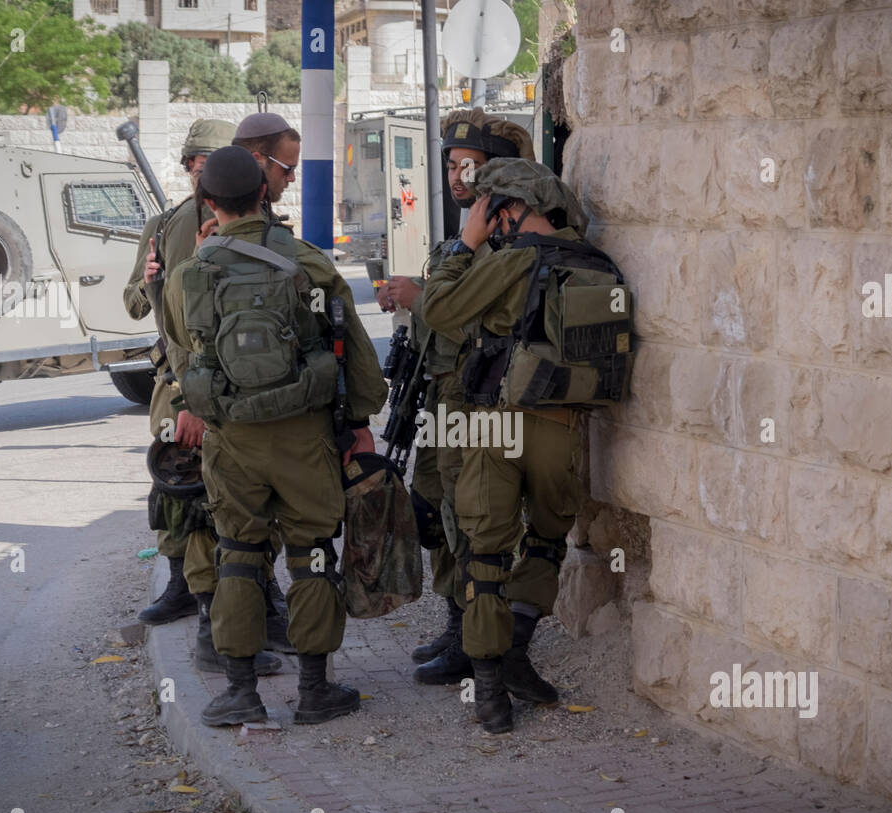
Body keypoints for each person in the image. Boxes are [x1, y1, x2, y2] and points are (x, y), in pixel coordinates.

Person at [162, 146, 389, 727]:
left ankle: (241, 693)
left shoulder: (191, 274)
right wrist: (360, 423)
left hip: (231, 438)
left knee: (238, 553)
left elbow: (185, 355)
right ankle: (315, 691)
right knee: (312, 553)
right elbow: (356, 353)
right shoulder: (308, 262)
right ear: (264, 193)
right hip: (304, 434)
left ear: (207, 202)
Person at [422, 158, 596, 734]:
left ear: (508, 208)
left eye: (490, 209)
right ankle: (518, 650)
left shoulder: (511, 257)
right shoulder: (594, 260)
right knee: (546, 542)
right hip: (563, 427)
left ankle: (491, 689)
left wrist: (464, 246)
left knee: (487, 555)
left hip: (494, 423)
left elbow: (439, 310)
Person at [375, 109, 533, 687]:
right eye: (451, 164)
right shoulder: (464, 234)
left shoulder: (505, 239)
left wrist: (423, 298)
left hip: (477, 400)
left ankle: (477, 639)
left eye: (471, 164)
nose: (459, 175)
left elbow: (490, 329)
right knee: (437, 509)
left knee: (470, 518)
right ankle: (456, 618)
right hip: (441, 395)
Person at [124, 119, 285, 676]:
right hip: (181, 386)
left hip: (233, 389)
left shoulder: (253, 224)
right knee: (188, 504)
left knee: (246, 506)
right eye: (197, 164)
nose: (203, 174)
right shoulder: (165, 226)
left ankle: (259, 607)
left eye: (211, 163)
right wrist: (147, 280)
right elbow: (143, 308)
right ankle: (197, 609)